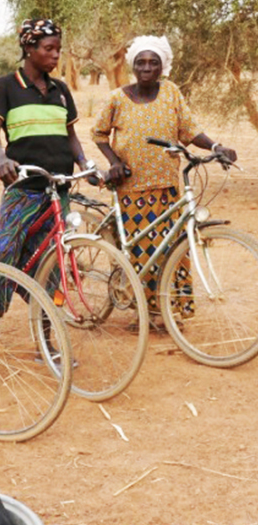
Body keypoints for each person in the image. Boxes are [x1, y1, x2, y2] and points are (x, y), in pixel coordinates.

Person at [91, 35, 237, 328]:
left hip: (169, 189)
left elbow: (190, 130)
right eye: (141, 62)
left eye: (153, 62)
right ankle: (143, 313)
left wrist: (215, 146)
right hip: (131, 189)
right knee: (139, 251)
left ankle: (169, 311)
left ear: (163, 67)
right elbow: (98, 134)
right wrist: (115, 162)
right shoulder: (117, 98)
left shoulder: (171, 92)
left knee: (172, 250)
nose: (146, 67)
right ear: (133, 65)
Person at [0, 18, 90, 311]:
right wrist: (1, 158)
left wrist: (84, 163)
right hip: (24, 187)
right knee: (6, 254)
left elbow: (71, 135)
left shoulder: (61, 90)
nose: (56, 55)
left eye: (58, 49)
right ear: (29, 48)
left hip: (58, 189)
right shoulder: (5, 86)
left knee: (53, 262)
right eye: (48, 48)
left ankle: (47, 338)